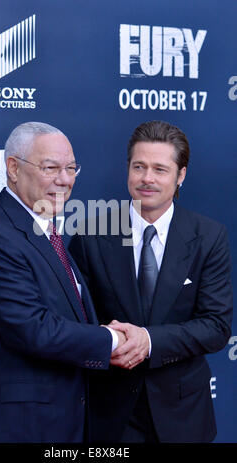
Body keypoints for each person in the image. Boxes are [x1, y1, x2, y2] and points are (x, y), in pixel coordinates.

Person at [0, 122, 126, 443]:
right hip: (16, 428)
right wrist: (114, 341)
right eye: (51, 168)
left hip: (61, 420)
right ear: (13, 168)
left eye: (71, 168)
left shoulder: (42, 228)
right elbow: (35, 330)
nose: (64, 179)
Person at [69, 120, 233, 443]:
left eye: (159, 169)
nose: (147, 179)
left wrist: (148, 340)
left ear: (180, 175)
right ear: (127, 169)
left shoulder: (209, 237)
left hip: (183, 415)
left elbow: (216, 326)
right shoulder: (91, 234)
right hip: (110, 413)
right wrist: (109, 341)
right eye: (139, 166)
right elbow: (76, 322)